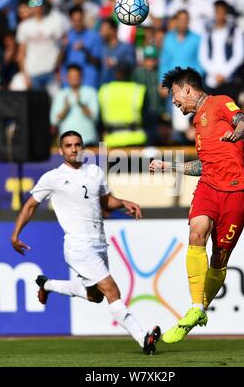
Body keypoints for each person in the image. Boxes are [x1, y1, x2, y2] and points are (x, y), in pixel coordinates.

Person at [11, 130, 160, 355]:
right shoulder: (53, 177)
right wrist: (15, 235)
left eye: (77, 144)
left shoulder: (94, 172)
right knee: (112, 290)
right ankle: (143, 338)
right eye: (68, 145)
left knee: (95, 296)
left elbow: (105, 201)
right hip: (78, 245)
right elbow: (30, 205)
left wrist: (123, 202)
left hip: (99, 243)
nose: (74, 149)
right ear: (61, 150)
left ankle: (47, 285)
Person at [149, 67, 244, 343]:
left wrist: (238, 132)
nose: (174, 101)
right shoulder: (197, 124)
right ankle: (196, 307)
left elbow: (243, 122)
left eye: (175, 95)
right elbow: (202, 165)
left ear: (187, 89)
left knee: (219, 258)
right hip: (208, 186)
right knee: (196, 232)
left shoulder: (220, 102)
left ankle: (199, 310)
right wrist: (168, 165)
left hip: (236, 191)